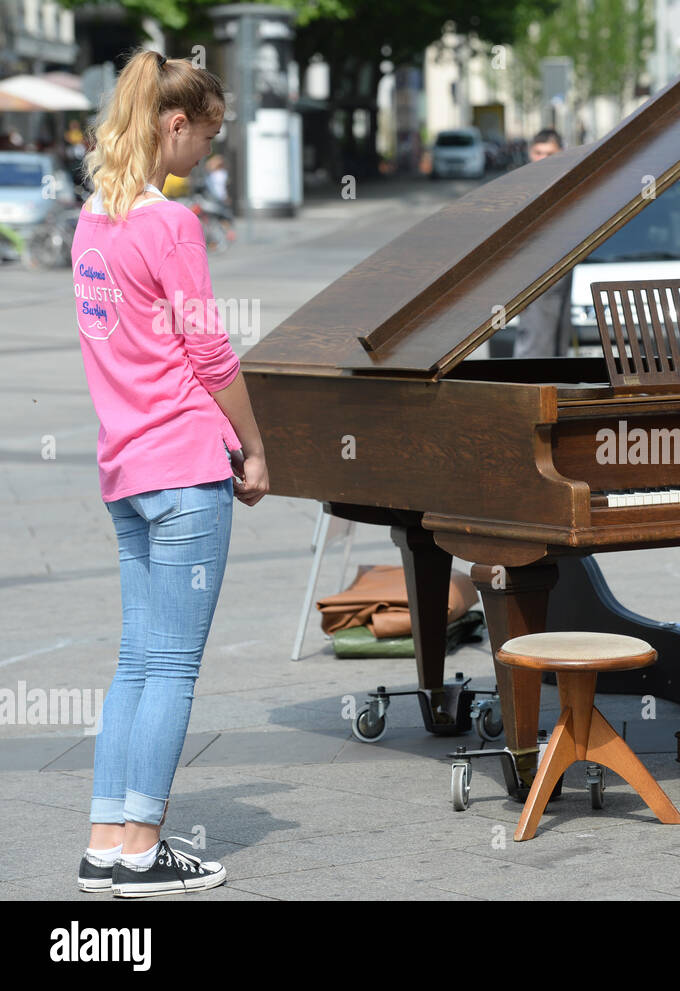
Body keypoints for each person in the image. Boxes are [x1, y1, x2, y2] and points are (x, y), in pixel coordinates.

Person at [73, 49, 269, 896]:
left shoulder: (92, 219)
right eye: (208, 135)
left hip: (124, 464)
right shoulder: (170, 224)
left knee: (137, 660)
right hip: (186, 463)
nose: (209, 154)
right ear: (173, 123)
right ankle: (146, 848)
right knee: (174, 667)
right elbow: (209, 348)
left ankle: (105, 842)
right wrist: (255, 447)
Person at [512, 129, 573, 358]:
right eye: (539, 153)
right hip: (531, 277)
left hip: (562, 275)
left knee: (557, 352)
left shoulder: (568, 185)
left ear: (562, 153)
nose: (543, 159)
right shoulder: (521, 188)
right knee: (534, 351)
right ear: (530, 153)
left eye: (550, 153)